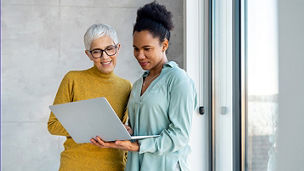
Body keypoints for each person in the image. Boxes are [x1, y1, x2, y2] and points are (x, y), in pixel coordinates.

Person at [90, 2, 197, 171]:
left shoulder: (178, 80)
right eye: (136, 48)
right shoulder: (139, 83)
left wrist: (136, 146)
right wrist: (121, 133)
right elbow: (140, 128)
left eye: (147, 48)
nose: (140, 55)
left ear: (164, 45)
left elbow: (179, 136)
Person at [48, 24, 132, 171]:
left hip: (114, 166)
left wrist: (127, 131)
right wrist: (96, 128)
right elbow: (53, 125)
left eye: (109, 49)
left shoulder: (126, 87)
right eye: (97, 52)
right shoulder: (72, 79)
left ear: (118, 48)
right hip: (75, 165)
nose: (105, 57)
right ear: (88, 54)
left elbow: (123, 132)